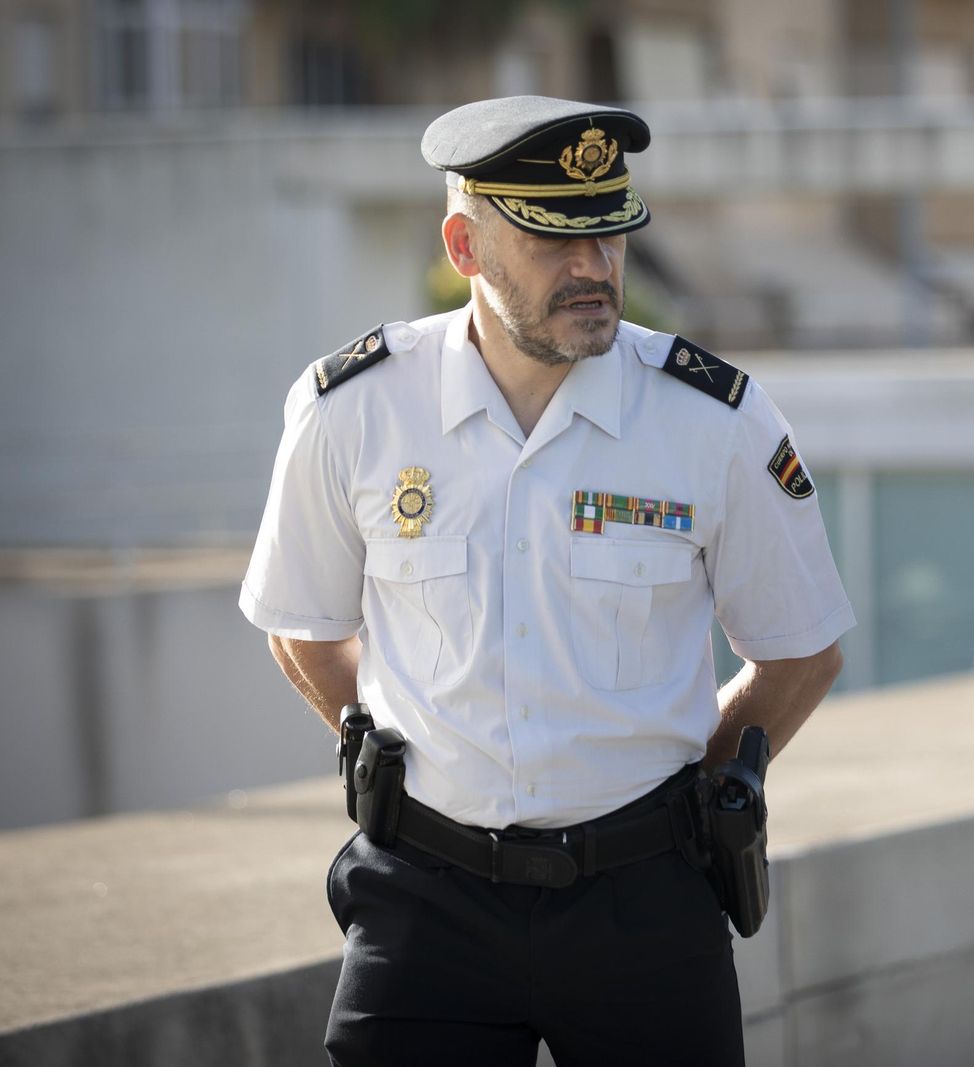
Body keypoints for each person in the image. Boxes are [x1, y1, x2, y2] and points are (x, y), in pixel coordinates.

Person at [239, 95, 854, 1067]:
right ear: (465, 244)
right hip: (423, 901)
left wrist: (690, 783)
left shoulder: (713, 418)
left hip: (644, 900)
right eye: (553, 240)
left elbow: (800, 649)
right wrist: (420, 753)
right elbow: (301, 626)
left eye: (610, 236)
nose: (594, 268)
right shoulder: (352, 409)